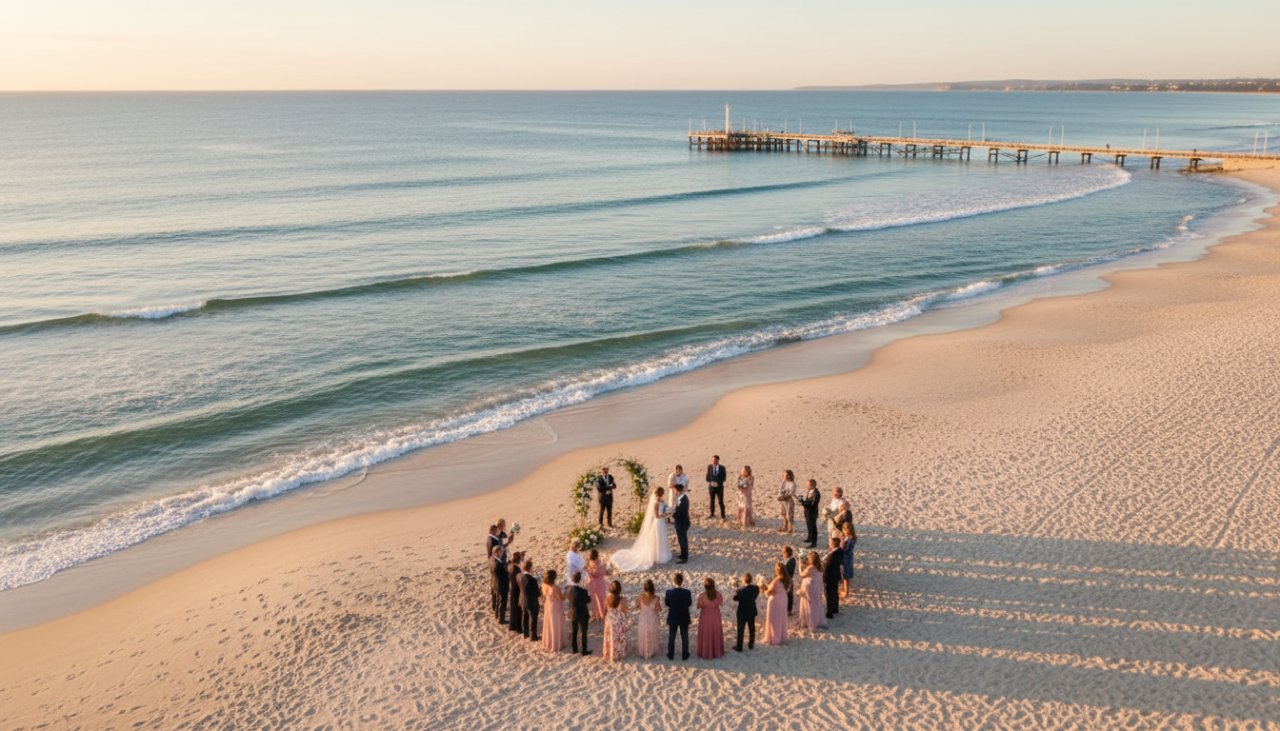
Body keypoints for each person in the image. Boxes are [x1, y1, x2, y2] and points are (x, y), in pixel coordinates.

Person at [610, 487, 671, 572]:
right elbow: (656, 516)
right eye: (659, 495)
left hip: (662, 523)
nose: (659, 497)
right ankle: (656, 555)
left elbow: (665, 508)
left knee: (661, 538)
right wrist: (665, 515)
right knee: (657, 538)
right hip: (657, 523)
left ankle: (660, 554)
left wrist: (668, 512)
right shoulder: (655, 504)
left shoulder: (663, 502)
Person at [665, 572, 693, 661]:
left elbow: (667, 603)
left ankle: (670, 654)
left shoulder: (669, 592)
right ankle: (685, 654)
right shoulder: (687, 592)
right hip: (684, 617)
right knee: (684, 636)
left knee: (671, 636)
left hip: (673, 617)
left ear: (674, 581)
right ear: (682, 581)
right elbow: (689, 603)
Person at [696, 578, 725, 659]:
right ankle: (716, 651)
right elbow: (721, 604)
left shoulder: (702, 596)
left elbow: (699, 606)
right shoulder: (718, 594)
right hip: (716, 615)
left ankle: (705, 652)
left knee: (706, 633)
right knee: (715, 632)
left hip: (705, 616)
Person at [797, 552, 827, 631]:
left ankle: (809, 622)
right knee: (816, 604)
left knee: (808, 604)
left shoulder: (810, 568)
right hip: (817, 587)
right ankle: (818, 621)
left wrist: (799, 566)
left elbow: (802, 574)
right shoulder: (820, 567)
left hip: (809, 588)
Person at [763, 563, 789, 646]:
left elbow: (768, 592)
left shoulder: (776, 580)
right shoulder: (787, 579)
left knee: (773, 620)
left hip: (775, 601)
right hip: (783, 599)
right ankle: (781, 635)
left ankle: (774, 638)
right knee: (781, 618)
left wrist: (764, 589)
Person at [732, 572, 759, 651]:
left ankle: (739, 646)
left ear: (744, 581)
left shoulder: (741, 591)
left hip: (742, 613)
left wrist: (737, 591)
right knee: (752, 628)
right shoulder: (755, 589)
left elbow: (734, 598)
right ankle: (751, 644)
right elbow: (756, 591)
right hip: (751, 611)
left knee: (741, 630)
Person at [634, 579, 661, 659]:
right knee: (652, 633)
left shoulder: (640, 597)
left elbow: (637, 607)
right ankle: (651, 652)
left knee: (643, 633)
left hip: (643, 618)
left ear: (644, 588)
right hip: (652, 617)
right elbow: (659, 609)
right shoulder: (656, 598)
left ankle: (643, 652)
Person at [541, 570, 566, 652]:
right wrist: (565, 592)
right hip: (555, 607)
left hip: (548, 605)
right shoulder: (555, 587)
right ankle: (556, 644)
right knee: (555, 625)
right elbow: (561, 598)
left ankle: (548, 642)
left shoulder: (543, 585)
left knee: (549, 624)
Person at [601, 592, 631, 662]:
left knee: (610, 637)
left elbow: (604, 611)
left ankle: (610, 652)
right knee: (619, 637)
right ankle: (619, 653)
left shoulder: (608, 599)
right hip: (618, 620)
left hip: (610, 619)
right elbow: (625, 611)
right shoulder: (621, 603)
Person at [569, 571, 592, 655]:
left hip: (573, 613)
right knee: (583, 632)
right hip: (582, 614)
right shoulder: (583, 591)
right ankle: (584, 650)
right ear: (580, 580)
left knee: (574, 632)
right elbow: (588, 600)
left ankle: (574, 649)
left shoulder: (570, 589)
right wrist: (588, 592)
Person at [823, 537, 845, 620]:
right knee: (835, 592)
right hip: (836, 575)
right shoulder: (840, 552)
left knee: (829, 594)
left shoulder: (832, 555)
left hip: (829, 576)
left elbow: (827, 566)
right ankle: (835, 608)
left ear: (832, 544)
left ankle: (829, 612)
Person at [586, 550, 611, 620]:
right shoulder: (600, 564)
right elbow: (600, 573)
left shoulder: (589, 562)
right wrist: (605, 568)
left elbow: (592, 573)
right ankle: (603, 613)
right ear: (597, 555)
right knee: (602, 599)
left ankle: (597, 614)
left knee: (595, 599)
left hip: (592, 584)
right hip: (600, 584)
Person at [520, 559, 541, 641]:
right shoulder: (532, 579)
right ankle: (533, 636)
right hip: (531, 602)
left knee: (525, 617)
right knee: (533, 619)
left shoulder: (520, 575)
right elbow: (537, 592)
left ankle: (525, 634)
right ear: (530, 568)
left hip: (523, 600)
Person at [670, 483, 690, 563]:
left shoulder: (683, 500)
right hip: (680, 522)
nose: (673, 492)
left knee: (683, 540)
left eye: (674, 490)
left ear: (677, 490)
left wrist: (672, 515)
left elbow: (680, 513)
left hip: (682, 523)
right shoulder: (681, 498)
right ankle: (682, 554)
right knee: (681, 539)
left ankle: (685, 558)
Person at [798, 479, 822, 548]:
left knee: (813, 527)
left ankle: (814, 542)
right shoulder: (810, 491)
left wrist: (802, 501)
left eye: (807, 485)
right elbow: (808, 501)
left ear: (812, 485)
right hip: (807, 512)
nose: (806, 486)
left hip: (812, 513)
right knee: (809, 526)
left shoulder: (816, 493)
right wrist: (802, 500)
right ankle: (809, 538)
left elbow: (812, 504)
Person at [489, 545, 508, 624]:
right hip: (501, 585)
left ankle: (496, 614)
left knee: (497, 600)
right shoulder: (498, 565)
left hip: (494, 582)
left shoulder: (491, 559)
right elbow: (505, 574)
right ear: (497, 553)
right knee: (502, 602)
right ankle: (501, 619)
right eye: (501, 552)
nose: (503, 553)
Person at [705, 455, 727, 520]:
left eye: (715, 460)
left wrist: (717, 483)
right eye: (712, 460)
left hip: (719, 487)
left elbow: (724, 478)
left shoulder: (722, 468)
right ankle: (712, 514)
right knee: (712, 501)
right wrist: (711, 482)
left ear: (718, 460)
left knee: (720, 501)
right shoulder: (709, 467)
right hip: (711, 487)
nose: (713, 462)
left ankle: (723, 516)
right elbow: (707, 478)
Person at [507, 552, 524, 635]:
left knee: (513, 609)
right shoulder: (517, 569)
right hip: (516, 590)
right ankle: (518, 628)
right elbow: (519, 580)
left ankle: (512, 626)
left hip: (512, 589)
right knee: (517, 610)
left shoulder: (510, 565)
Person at [777, 469, 797, 534]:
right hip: (782, 501)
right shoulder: (783, 482)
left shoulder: (792, 484)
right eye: (783, 475)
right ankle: (785, 526)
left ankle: (790, 528)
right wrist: (780, 497)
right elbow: (780, 490)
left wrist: (785, 497)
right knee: (783, 514)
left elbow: (791, 493)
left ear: (788, 476)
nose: (783, 476)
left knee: (789, 515)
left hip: (789, 502)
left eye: (785, 475)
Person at [841, 522, 857, 597]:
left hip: (846, 557)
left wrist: (841, 542)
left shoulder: (849, 539)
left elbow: (845, 549)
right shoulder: (853, 537)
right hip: (849, 557)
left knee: (845, 575)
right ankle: (846, 590)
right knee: (847, 574)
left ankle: (846, 591)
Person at [782, 546, 797, 615]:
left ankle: (788, 610)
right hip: (787, 580)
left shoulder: (791, 561)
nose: (782, 554)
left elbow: (788, 572)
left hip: (788, 580)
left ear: (787, 553)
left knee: (789, 595)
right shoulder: (790, 560)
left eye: (783, 553)